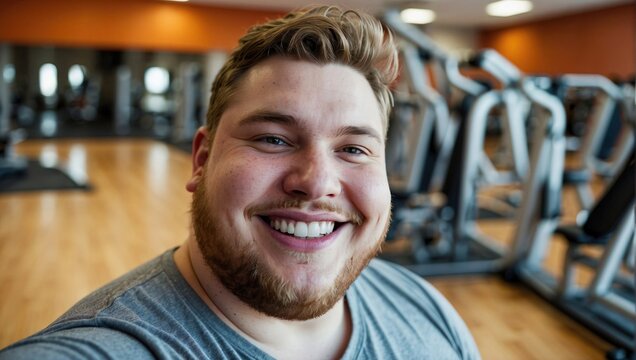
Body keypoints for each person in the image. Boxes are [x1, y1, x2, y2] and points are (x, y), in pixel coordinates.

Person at [0, 5, 480, 359]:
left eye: (353, 149)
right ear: (202, 159)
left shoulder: (428, 311)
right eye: (273, 139)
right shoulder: (103, 349)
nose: (316, 183)